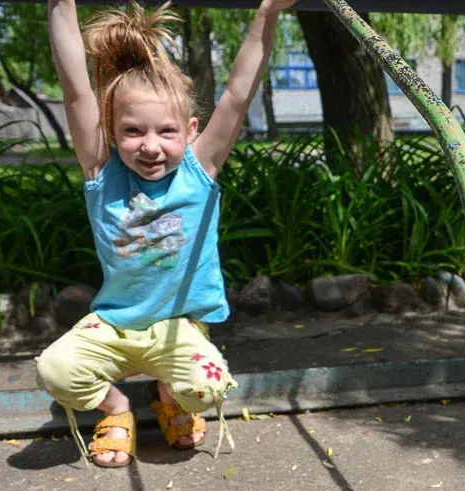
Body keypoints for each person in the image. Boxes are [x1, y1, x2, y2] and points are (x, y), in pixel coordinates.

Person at [39, 0, 295, 467]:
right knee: (55, 371)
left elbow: (239, 93)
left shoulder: (200, 170)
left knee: (209, 386)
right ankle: (117, 409)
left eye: (167, 131)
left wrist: (268, 13)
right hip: (116, 324)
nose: (151, 146)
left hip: (179, 327)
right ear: (112, 134)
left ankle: (170, 395)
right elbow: (76, 88)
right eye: (133, 131)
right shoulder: (103, 170)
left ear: (190, 130)